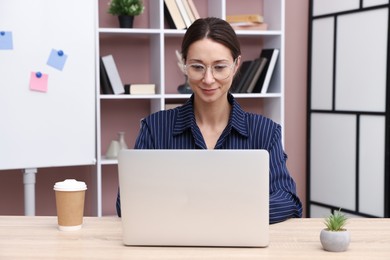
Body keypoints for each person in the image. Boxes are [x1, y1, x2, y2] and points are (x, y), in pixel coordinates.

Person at [116, 17, 302, 224]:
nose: (208, 79)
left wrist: (219, 213)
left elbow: (287, 199)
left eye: (220, 67)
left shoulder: (266, 132)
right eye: (197, 67)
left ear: (236, 65)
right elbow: (126, 202)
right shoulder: (154, 128)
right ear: (184, 64)